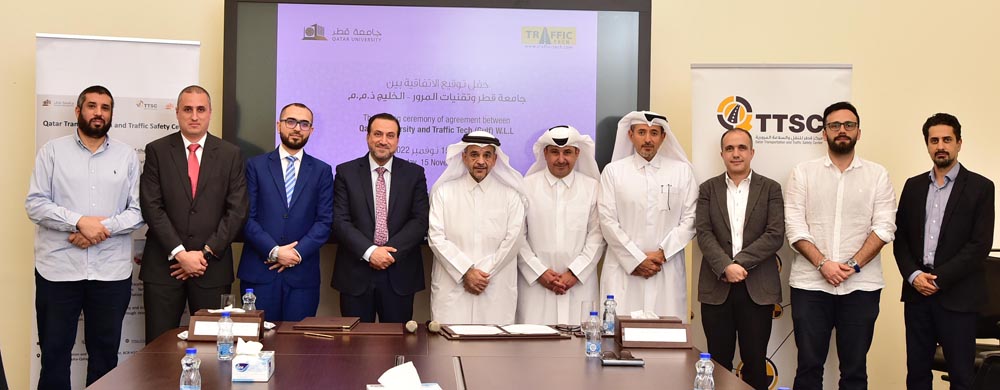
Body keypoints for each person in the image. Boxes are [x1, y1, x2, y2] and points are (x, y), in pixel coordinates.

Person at [25, 85, 143, 388]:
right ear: (78, 111)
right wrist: (78, 222)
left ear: (111, 114)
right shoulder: (52, 152)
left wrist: (97, 231)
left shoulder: (126, 156)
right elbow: (35, 204)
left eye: (105, 108)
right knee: (53, 356)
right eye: (92, 106)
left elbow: (138, 211)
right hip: (58, 272)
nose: (98, 113)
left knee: (105, 358)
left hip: (109, 274)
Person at [784, 101, 896, 390]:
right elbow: (795, 228)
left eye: (849, 125)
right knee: (809, 367)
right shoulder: (803, 172)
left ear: (859, 132)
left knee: (855, 370)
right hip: (810, 286)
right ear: (824, 133)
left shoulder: (877, 174)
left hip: (861, 287)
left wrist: (852, 265)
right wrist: (824, 264)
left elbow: (884, 227)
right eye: (835, 125)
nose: (842, 130)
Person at [139, 85, 248, 343]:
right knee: (158, 348)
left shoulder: (230, 154)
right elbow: (151, 207)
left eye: (201, 109)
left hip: (211, 267)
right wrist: (180, 253)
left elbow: (237, 210)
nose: (194, 116)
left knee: (213, 350)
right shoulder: (157, 151)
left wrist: (205, 253)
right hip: (164, 267)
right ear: (177, 113)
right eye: (187, 109)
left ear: (210, 113)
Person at [894, 113, 994, 390]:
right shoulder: (913, 187)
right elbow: (900, 238)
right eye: (934, 140)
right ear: (927, 144)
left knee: (961, 377)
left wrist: (936, 279)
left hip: (958, 297)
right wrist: (915, 276)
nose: (941, 146)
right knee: (917, 375)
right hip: (917, 295)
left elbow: (979, 245)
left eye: (947, 139)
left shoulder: (981, 188)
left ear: (959, 143)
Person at [695, 129, 784, 390]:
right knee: (719, 363)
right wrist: (725, 266)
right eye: (730, 148)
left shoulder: (771, 188)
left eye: (742, 148)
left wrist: (739, 263)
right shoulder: (707, 189)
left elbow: (775, 233)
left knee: (755, 363)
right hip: (716, 287)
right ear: (721, 153)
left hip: (757, 288)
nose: (736, 154)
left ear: (752, 152)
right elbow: (703, 232)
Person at [598, 111, 697, 321]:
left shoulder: (682, 172)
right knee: (618, 337)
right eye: (642, 132)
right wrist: (636, 259)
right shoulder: (613, 172)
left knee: (667, 339)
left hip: (666, 268)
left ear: (663, 137)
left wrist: (661, 254)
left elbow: (691, 219)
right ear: (630, 135)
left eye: (654, 133)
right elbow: (607, 221)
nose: (648, 139)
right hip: (624, 271)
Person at [238, 103, 333, 322]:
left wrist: (296, 254)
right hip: (259, 274)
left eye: (304, 123)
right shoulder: (255, 166)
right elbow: (246, 217)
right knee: (257, 344)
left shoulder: (322, 171)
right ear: (278, 125)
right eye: (290, 121)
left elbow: (324, 221)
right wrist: (274, 251)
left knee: (299, 349)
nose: (297, 128)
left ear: (311, 130)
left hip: (302, 276)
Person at [332, 113, 429, 323]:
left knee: (398, 346)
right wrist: (370, 252)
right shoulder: (346, 172)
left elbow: (420, 220)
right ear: (368, 137)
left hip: (399, 272)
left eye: (390, 135)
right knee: (354, 347)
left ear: (397, 141)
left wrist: (389, 254)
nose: (383, 140)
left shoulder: (414, 173)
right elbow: (340, 220)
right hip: (355, 273)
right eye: (377, 134)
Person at [428, 131, 525, 324]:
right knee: (449, 346)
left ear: (495, 159)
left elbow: (513, 240)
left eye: (486, 155)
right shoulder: (443, 192)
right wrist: (466, 272)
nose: (480, 161)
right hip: (453, 286)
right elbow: (435, 237)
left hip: (494, 286)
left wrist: (482, 274)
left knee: (493, 348)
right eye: (474, 154)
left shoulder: (511, 195)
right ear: (464, 157)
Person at [516, 126, 605, 325]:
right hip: (536, 286)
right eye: (555, 152)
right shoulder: (526, 186)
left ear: (577, 153)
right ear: (545, 153)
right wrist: (539, 272)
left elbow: (597, 236)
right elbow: (517, 236)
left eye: (567, 153)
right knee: (534, 347)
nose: (561, 159)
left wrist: (575, 273)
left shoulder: (592, 187)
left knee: (579, 348)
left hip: (579, 284)